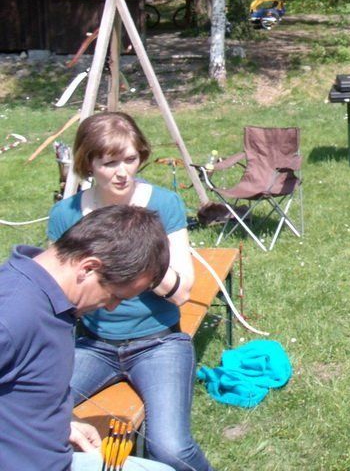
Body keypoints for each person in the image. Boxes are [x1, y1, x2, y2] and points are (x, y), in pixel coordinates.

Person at [48, 112, 214, 471]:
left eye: (130, 159)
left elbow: (182, 292)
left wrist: (138, 258)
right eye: (109, 163)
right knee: (36, 415)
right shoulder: (66, 214)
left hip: (158, 344)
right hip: (93, 345)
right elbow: (56, 293)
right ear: (89, 164)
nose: (122, 172)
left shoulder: (163, 204)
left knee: (169, 449)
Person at [1, 203, 173, 471]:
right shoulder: (12, 314)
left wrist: (63, 422)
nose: (112, 307)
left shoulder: (53, 300)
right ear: (88, 268)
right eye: (115, 296)